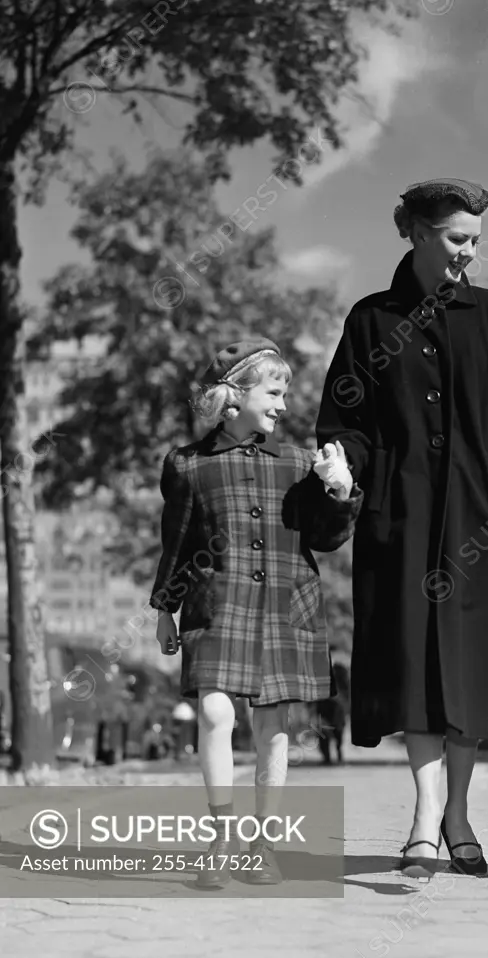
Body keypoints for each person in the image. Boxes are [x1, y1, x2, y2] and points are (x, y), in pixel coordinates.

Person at [316, 178, 488, 877]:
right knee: (418, 672)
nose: (470, 255)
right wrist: (341, 464)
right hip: (402, 523)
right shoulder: (368, 320)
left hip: (487, 523)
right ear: (418, 234)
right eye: (458, 239)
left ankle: (458, 812)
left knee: (473, 675)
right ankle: (428, 817)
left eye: (476, 241)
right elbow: (347, 423)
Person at [150, 338, 362, 889]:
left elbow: (325, 538)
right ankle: (222, 836)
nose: (284, 406)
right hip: (216, 605)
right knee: (216, 715)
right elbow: (175, 542)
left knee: (272, 728)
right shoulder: (188, 465)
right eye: (274, 392)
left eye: (285, 394)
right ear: (235, 395)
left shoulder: (297, 463)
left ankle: (262, 844)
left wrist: (340, 492)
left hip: (285, 606)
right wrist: (165, 607)